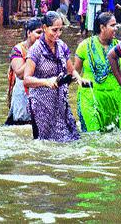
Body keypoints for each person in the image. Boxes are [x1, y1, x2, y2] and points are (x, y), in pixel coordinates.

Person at [24, 11, 85, 142]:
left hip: (60, 102)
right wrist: (46, 82)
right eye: (54, 30)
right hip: (41, 104)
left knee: (72, 138)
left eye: (60, 30)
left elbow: (71, 70)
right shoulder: (36, 50)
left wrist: (79, 79)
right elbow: (26, 79)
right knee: (45, 142)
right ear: (45, 28)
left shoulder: (61, 46)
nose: (58, 34)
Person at [74, 12, 121, 132]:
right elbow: (75, 72)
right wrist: (79, 80)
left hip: (113, 100)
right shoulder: (84, 46)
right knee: (92, 137)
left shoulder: (120, 47)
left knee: (111, 139)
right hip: (90, 98)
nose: (116, 28)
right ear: (102, 27)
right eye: (112, 25)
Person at [6, 19, 43, 126]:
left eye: (43, 33)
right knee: (21, 128)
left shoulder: (44, 48)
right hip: (22, 94)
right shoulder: (18, 50)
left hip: (38, 92)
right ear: (28, 33)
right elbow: (19, 73)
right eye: (38, 32)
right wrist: (32, 55)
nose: (41, 36)